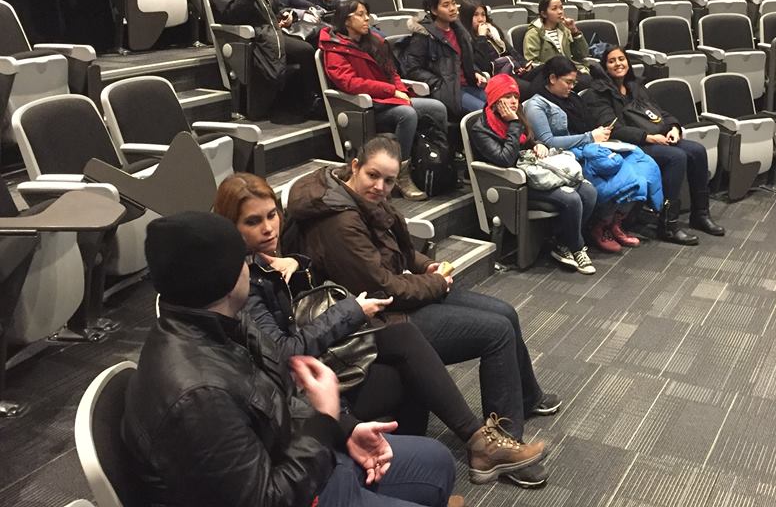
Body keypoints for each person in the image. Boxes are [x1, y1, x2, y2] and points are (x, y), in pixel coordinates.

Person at [212, 173, 546, 486]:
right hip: (300, 390)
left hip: (330, 351)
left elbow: (397, 254)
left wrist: (298, 262)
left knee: (431, 338)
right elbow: (283, 352)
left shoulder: (274, 257)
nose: (268, 228)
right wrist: (355, 309)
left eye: (272, 215)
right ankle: (462, 451)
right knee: (423, 355)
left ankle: (473, 446)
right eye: (253, 221)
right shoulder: (241, 280)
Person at [121, 211, 457, 507]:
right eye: (243, 260)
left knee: (438, 461)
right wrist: (324, 423)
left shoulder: (227, 321)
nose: (249, 267)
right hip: (297, 490)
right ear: (226, 277)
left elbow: (276, 398)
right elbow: (267, 500)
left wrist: (344, 430)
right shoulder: (198, 396)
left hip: (300, 460)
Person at [285, 136, 561, 489]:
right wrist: (436, 283)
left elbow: (393, 251)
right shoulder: (338, 222)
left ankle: (526, 397)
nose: (380, 186)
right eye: (373, 175)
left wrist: (425, 266)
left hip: (396, 299)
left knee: (505, 312)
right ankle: (503, 446)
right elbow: (381, 286)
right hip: (378, 318)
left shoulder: (358, 198)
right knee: (496, 332)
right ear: (355, 167)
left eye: (388, 180)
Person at [582, 46, 725, 245]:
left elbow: (659, 113)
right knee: (676, 157)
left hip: (655, 138)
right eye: (612, 61)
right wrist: (648, 137)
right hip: (628, 145)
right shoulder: (597, 94)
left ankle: (700, 214)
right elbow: (611, 128)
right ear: (604, 67)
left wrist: (674, 127)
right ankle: (668, 225)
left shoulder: (636, 86)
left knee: (697, 151)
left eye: (621, 59)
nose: (618, 64)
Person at [524, 56, 661, 253]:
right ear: (552, 78)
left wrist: (598, 135)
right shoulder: (536, 105)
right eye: (568, 82)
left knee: (640, 164)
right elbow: (548, 141)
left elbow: (588, 127)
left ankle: (615, 222)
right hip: (566, 157)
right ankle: (600, 225)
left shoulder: (572, 98)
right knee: (617, 175)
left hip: (588, 148)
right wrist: (590, 137)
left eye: (574, 82)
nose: (572, 87)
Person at [319, 0, 448, 200]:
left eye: (366, 14)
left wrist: (400, 90)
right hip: (366, 107)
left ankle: (441, 161)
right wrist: (391, 91)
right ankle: (401, 174)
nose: (367, 19)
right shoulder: (334, 48)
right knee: (407, 114)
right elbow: (350, 83)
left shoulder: (374, 41)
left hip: (388, 99)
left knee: (437, 108)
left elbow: (391, 72)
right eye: (360, 15)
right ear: (346, 20)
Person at [469, 73, 597, 274]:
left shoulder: (517, 114)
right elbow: (505, 159)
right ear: (495, 100)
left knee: (589, 192)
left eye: (515, 96)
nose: (513, 101)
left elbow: (529, 140)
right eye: (507, 97)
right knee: (571, 199)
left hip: (536, 172)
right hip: (515, 183)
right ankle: (577, 248)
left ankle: (562, 243)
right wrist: (513, 123)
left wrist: (538, 145)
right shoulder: (481, 129)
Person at [209, 0, 320, 120]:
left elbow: (274, 10)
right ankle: (310, 101)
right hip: (254, 37)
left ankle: (314, 98)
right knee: (305, 50)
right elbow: (232, 15)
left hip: (273, 31)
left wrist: (285, 17)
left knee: (318, 39)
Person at [402, 0, 487, 118]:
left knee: (500, 103)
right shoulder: (424, 35)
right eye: (446, 5)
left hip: (468, 84)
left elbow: (463, 60)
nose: (452, 8)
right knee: (484, 112)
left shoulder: (459, 30)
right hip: (448, 91)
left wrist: (475, 72)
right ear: (434, 10)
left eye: (453, 3)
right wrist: (438, 83)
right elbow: (413, 69)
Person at [460, 0, 534, 101]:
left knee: (544, 72)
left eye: (483, 15)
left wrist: (524, 64)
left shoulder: (493, 31)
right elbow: (483, 66)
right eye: (476, 15)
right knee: (532, 89)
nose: (481, 19)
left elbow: (511, 50)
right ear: (467, 18)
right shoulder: (467, 39)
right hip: (497, 77)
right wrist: (482, 37)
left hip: (514, 70)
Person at [521, 0, 591, 87]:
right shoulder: (534, 33)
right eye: (554, 9)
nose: (560, 12)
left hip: (570, 70)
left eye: (561, 8)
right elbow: (532, 63)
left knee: (597, 74)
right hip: (551, 75)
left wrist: (574, 31)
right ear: (544, 14)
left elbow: (583, 54)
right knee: (587, 83)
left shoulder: (565, 29)